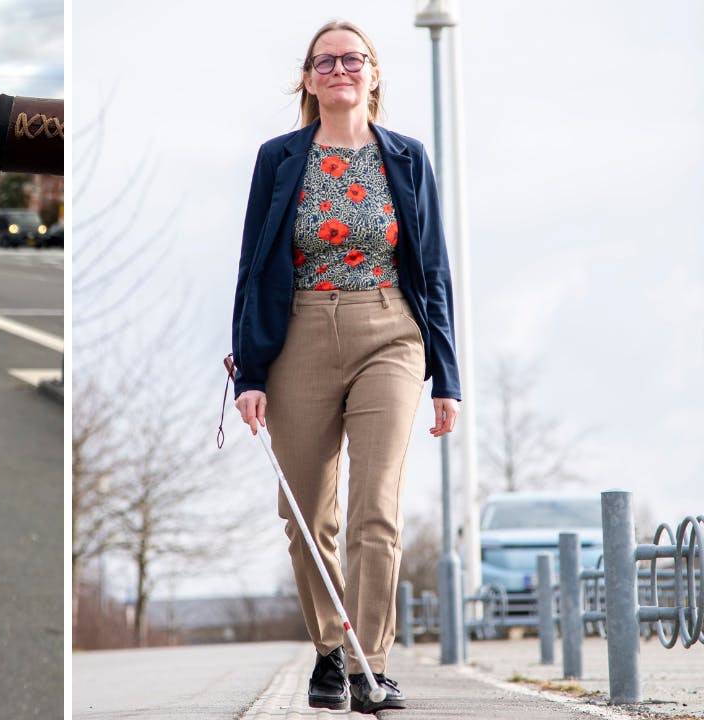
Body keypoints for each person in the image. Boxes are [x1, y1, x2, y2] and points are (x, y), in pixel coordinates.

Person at [230, 20, 460, 714]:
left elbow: (436, 271)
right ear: (307, 78)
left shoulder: (408, 158)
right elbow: (251, 267)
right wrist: (250, 373)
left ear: (375, 73)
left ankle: (371, 666)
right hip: (299, 332)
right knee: (304, 514)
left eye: (352, 59)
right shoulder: (278, 159)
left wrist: (446, 376)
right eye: (324, 61)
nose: (339, 69)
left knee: (376, 508)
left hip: (390, 330)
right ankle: (332, 647)